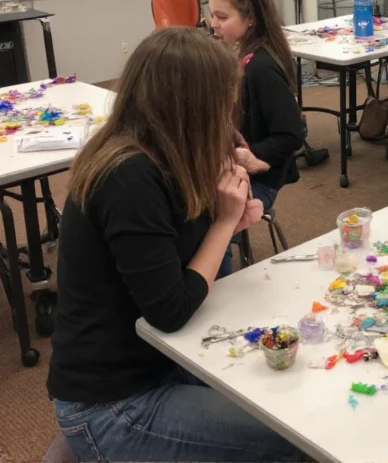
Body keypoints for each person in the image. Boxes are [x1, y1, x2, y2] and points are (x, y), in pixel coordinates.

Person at [47, 28, 305, 462]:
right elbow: (171, 311)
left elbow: (178, 259)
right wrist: (224, 224)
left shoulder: (159, 151)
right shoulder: (129, 177)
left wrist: (230, 220)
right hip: (115, 402)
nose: (231, 118)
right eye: (226, 105)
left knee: (287, 388)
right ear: (193, 107)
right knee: (291, 437)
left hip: (160, 361)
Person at [209, 0, 305, 277]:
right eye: (211, 15)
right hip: (235, 164)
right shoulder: (238, 53)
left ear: (250, 19)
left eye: (221, 16)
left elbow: (292, 135)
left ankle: (214, 288)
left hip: (262, 176)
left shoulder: (261, 67)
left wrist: (253, 157)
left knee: (209, 222)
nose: (213, 23)